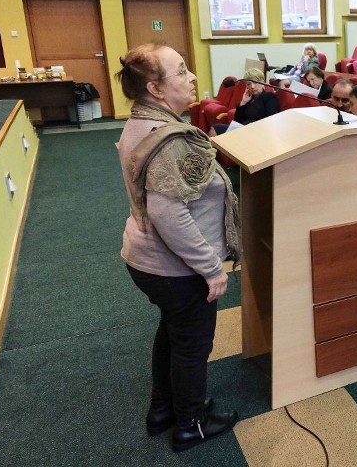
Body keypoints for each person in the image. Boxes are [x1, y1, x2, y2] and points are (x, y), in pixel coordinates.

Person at [115, 43, 239, 452]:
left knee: (173, 333)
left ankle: (162, 409)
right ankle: (192, 423)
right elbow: (169, 213)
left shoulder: (142, 120)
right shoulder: (170, 140)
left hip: (148, 259)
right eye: (181, 71)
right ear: (155, 88)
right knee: (192, 345)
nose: (191, 77)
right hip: (175, 268)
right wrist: (212, 268)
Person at [209, 68, 278, 135]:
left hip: (256, 132)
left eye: (255, 82)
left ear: (262, 82)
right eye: (248, 84)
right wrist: (243, 103)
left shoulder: (269, 97)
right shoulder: (249, 99)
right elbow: (237, 121)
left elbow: (271, 121)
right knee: (215, 128)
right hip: (242, 129)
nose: (252, 86)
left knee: (216, 128)